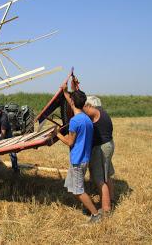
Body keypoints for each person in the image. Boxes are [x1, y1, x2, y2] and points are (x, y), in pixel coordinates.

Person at [55, 89, 102, 223]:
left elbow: (70, 142)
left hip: (78, 160)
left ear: (72, 102)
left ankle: (95, 214)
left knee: (78, 190)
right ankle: (88, 207)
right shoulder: (87, 119)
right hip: (84, 158)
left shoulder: (75, 121)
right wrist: (65, 91)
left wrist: (56, 134)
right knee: (72, 186)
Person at [83, 96, 115, 213]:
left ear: (91, 106)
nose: (84, 109)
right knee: (107, 176)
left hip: (101, 148)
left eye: (86, 106)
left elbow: (86, 111)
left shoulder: (95, 114)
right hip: (108, 145)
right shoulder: (101, 111)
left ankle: (106, 209)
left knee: (99, 179)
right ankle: (111, 200)